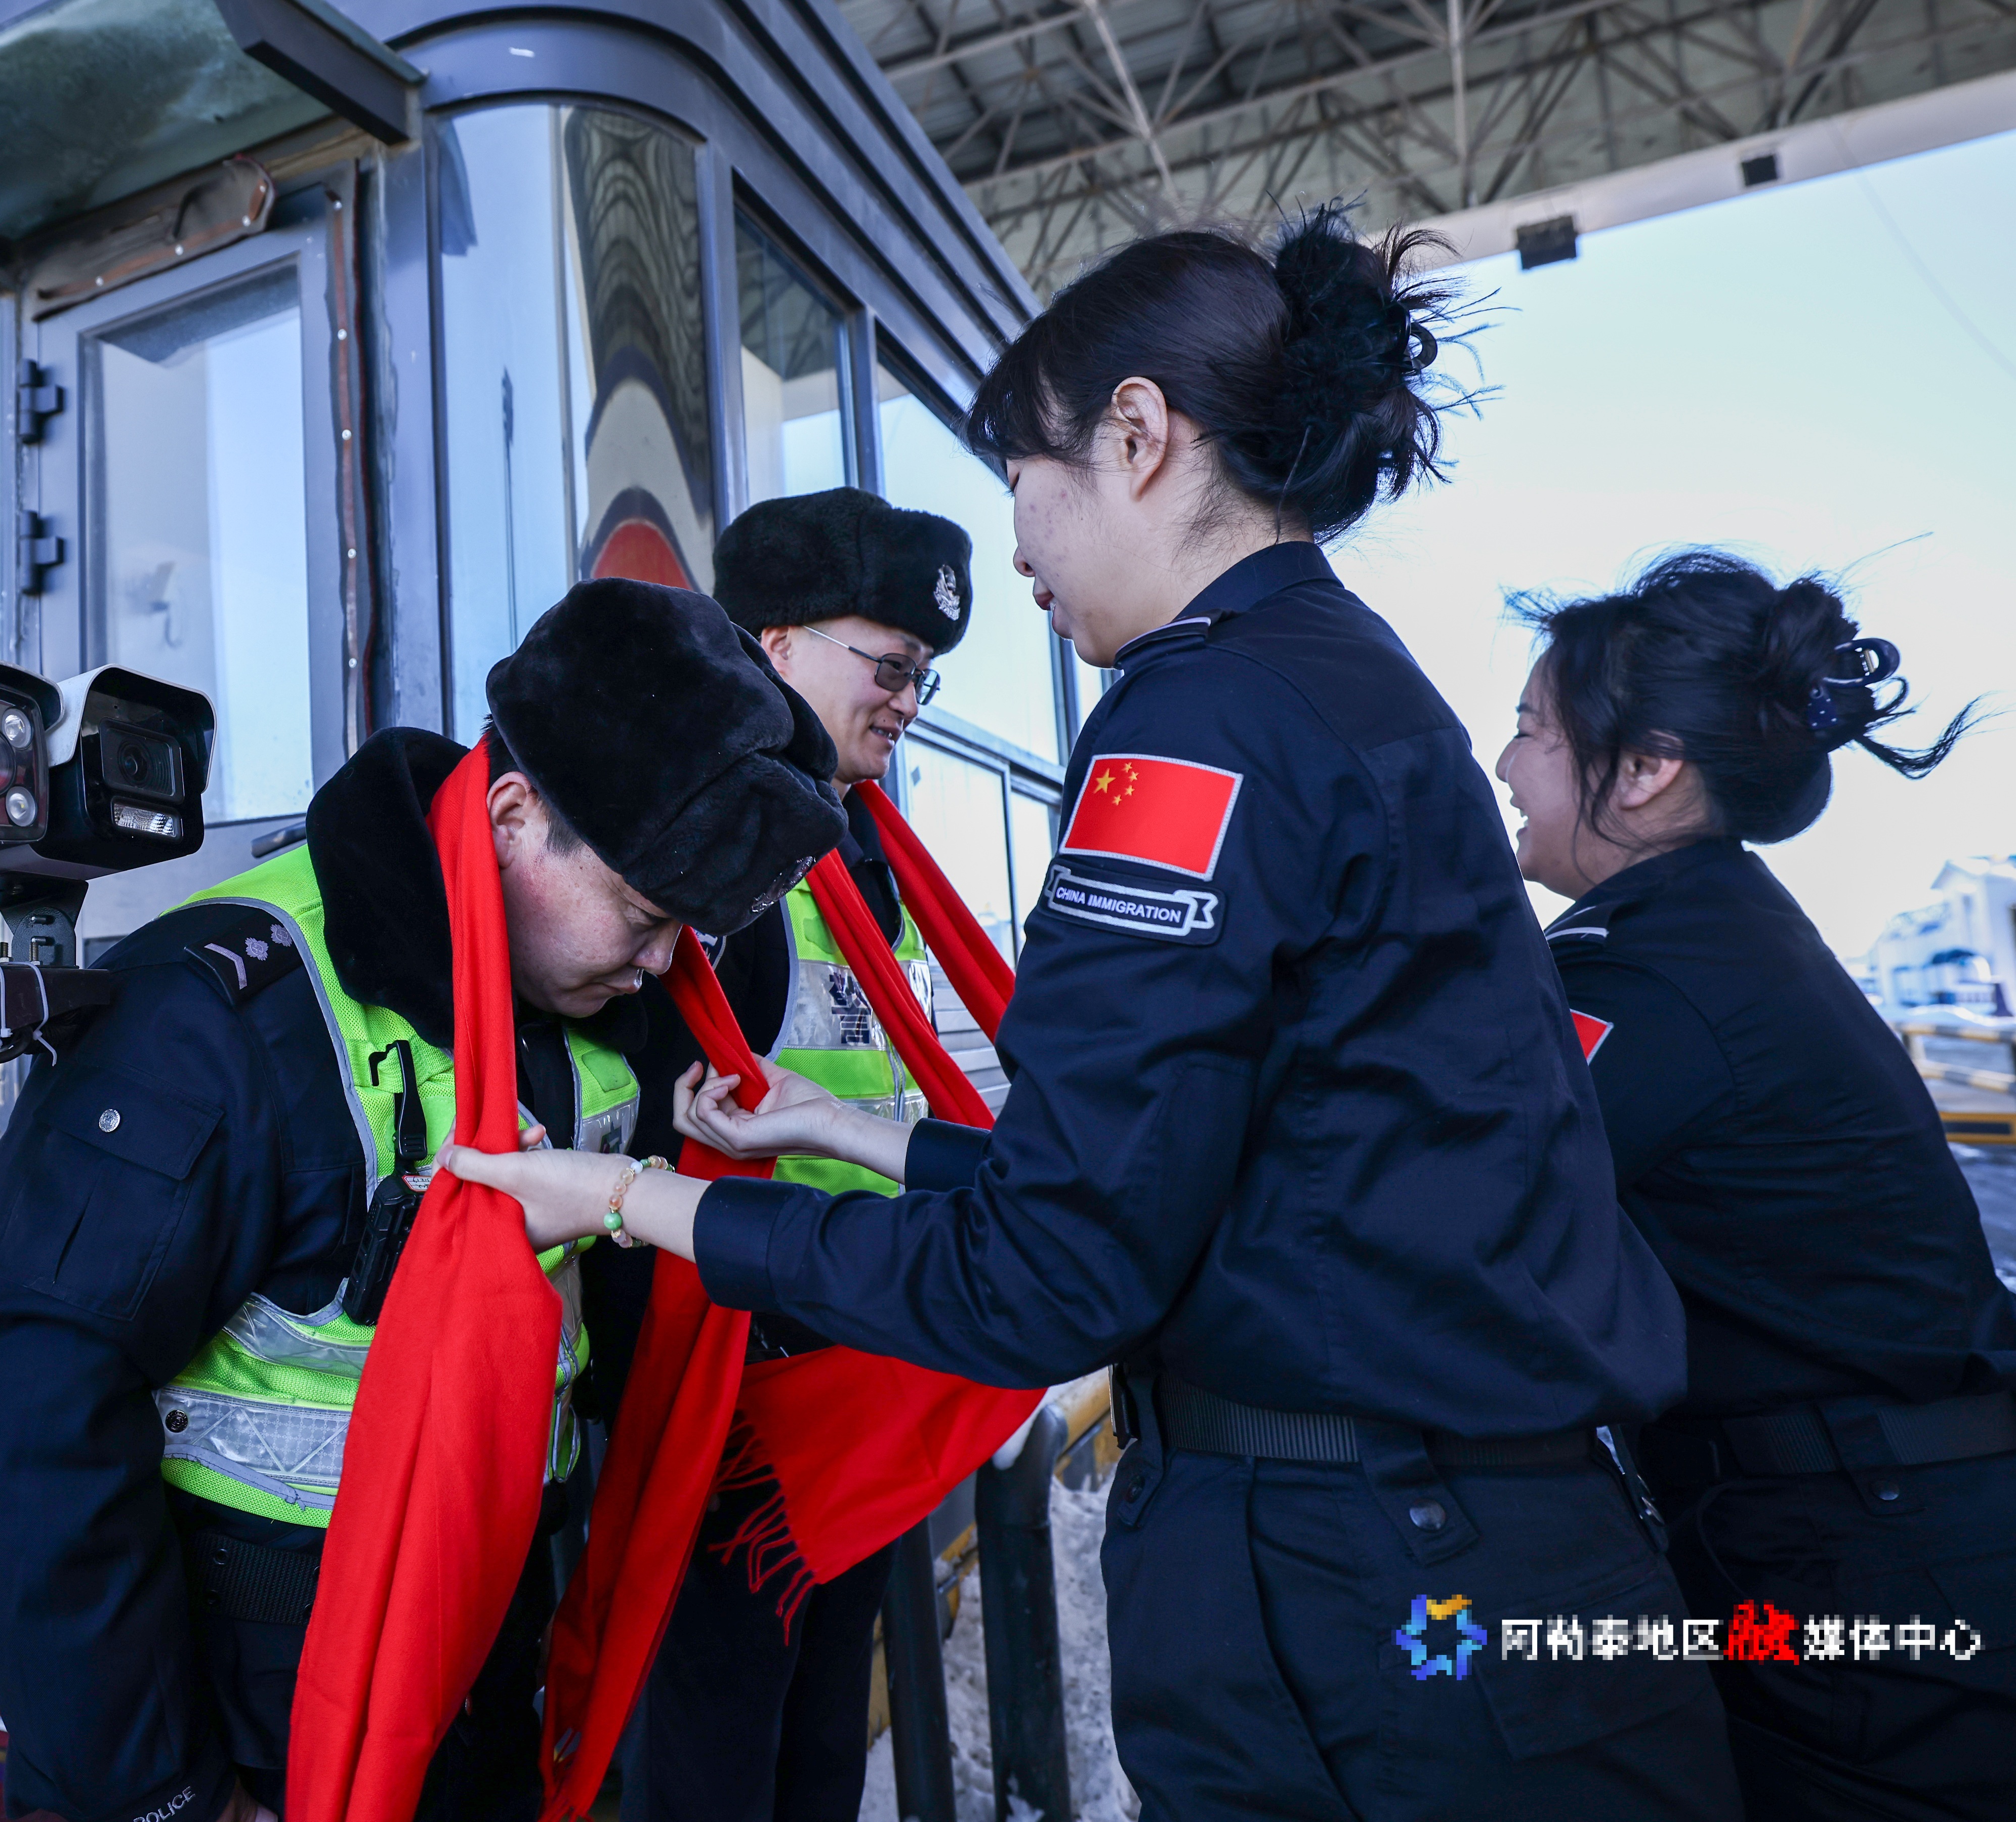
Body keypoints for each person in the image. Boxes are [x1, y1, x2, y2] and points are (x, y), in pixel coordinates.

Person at [447, 208, 1743, 1817]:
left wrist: (631, 1198)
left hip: (1362, 1580)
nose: (1018, 550)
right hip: (1472, 1537)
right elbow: (1213, 1168)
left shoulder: (1197, 728)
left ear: (1138, 438)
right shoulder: (1333, 672)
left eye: (1023, 479)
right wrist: (854, 1132)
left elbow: (1056, 1269)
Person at [0, 577, 843, 1822]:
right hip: (242, 1714)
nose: (665, 964)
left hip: (474, 1676)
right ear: (512, 816)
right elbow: (19, 1410)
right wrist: (164, 1793)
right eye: (643, 916)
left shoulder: (595, 1004)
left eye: (689, 931)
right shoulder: (229, 1012)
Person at [1494, 552, 2013, 1820]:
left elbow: (1454, 1206)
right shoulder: (1713, 931)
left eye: (1532, 730)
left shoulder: (1656, 979)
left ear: (1647, 767)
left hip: (1866, 1548)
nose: (1504, 765)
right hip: (1885, 1518)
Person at [600, 486, 972, 1822]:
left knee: (819, 1745)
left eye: (922, 677)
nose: (908, 703)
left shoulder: (869, 851)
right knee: (717, 1754)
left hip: (858, 1363)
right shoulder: (709, 850)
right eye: (890, 667)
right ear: (775, 644)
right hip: (735, 1387)